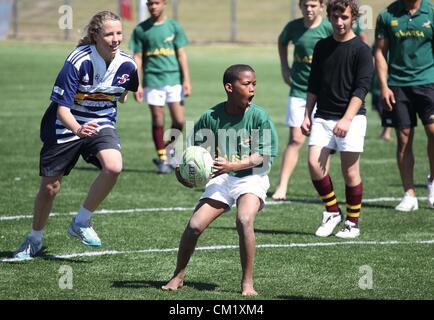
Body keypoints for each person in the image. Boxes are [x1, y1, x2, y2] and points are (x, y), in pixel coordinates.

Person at [13, 11, 139, 260]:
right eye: (109, 34)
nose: (115, 39)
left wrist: (120, 94)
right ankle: (35, 239)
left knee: (113, 167)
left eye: (119, 33)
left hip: (100, 123)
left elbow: (125, 92)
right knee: (50, 188)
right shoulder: (77, 61)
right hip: (65, 125)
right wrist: (78, 130)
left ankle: (81, 221)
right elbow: (62, 109)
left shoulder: (128, 63)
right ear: (95, 35)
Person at [162, 64, 278, 296]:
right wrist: (184, 172)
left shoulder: (259, 117)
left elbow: (263, 156)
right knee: (194, 226)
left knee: (244, 219)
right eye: (246, 84)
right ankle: (178, 275)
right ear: (229, 87)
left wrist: (233, 165)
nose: (252, 89)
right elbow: (194, 153)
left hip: (251, 178)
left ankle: (247, 283)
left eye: (254, 84)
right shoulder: (211, 117)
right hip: (222, 177)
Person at [272, 0, 368, 201]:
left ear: (321, 8)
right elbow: (283, 43)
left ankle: (345, 214)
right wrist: (284, 67)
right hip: (304, 93)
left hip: (338, 103)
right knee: (298, 142)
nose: (339, 22)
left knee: (344, 166)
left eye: (314, 5)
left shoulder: (343, 38)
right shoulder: (301, 32)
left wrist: (348, 117)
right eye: (305, 5)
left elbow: (360, 83)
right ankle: (285, 186)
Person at [301, 0, 373, 238]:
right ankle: (332, 211)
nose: (339, 22)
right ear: (329, 17)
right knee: (314, 163)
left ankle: (352, 222)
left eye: (344, 17)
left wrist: (347, 119)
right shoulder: (322, 46)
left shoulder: (362, 50)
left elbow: (361, 89)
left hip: (351, 118)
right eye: (335, 17)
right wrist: (306, 114)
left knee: (349, 171)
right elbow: (313, 84)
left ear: (353, 18)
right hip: (322, 115)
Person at [374, 0, 434, 212]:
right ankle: (409, 194)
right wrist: (384, 86)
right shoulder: (387, 15)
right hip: (398, 86)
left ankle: (433, 182)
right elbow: (380, 52)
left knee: (433, 131)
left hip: (429, 83)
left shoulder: (431, 12)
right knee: (403, 137)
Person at [129, 0, 192, 174]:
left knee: (179, 120)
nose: (153, 7)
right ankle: (163, 158)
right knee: (158, 119)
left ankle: (170, 150)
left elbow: (181, 55)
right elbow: (138, 58)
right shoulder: (141, 29)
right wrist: (137, 83)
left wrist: (186, 80)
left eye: (156, 3)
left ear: (165, 3)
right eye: (149, 4)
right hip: (153, 80)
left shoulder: (174, 27)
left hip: (174, 79)